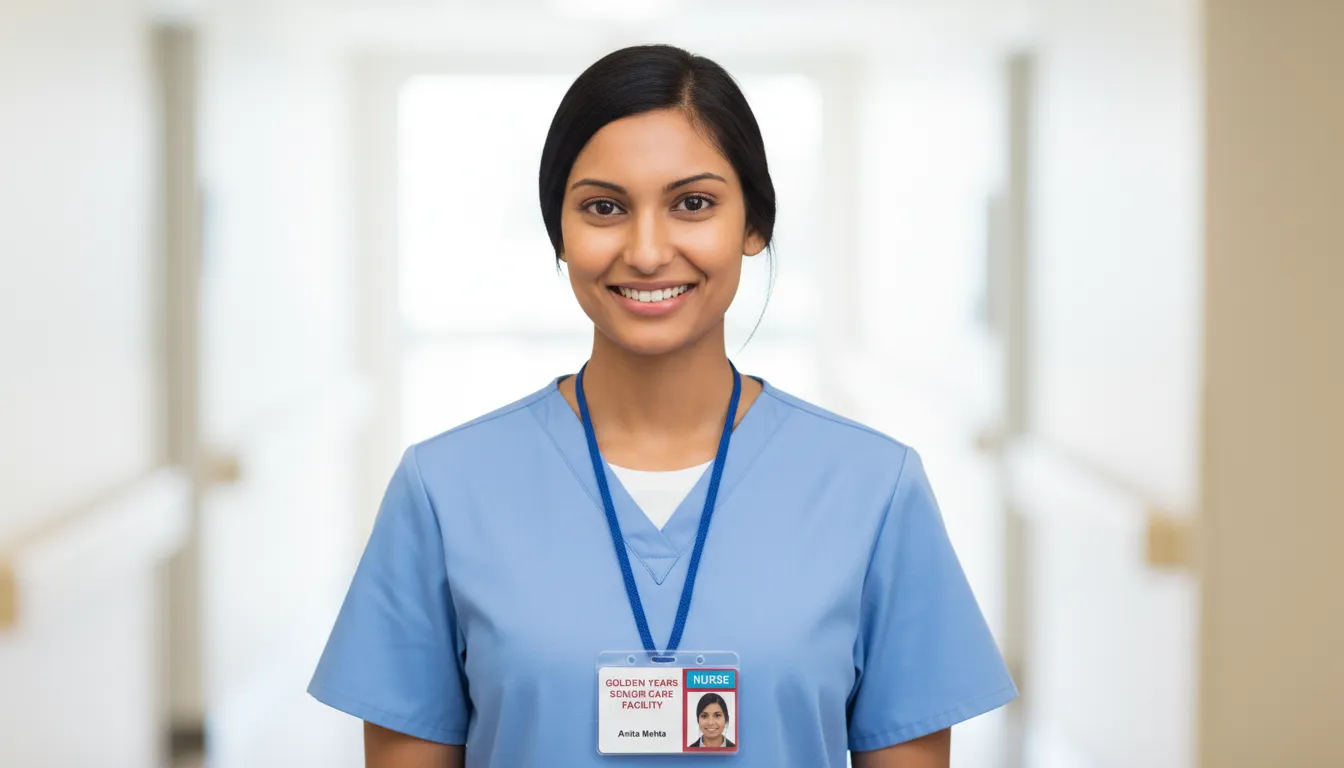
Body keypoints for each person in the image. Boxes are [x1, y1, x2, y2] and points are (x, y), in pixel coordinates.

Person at [308, 43, 1017, 768]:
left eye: (693, 204)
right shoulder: (444, 491)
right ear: (560, 232)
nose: (647, 252)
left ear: (754, 226)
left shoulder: (873, 490)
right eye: (604, 207)